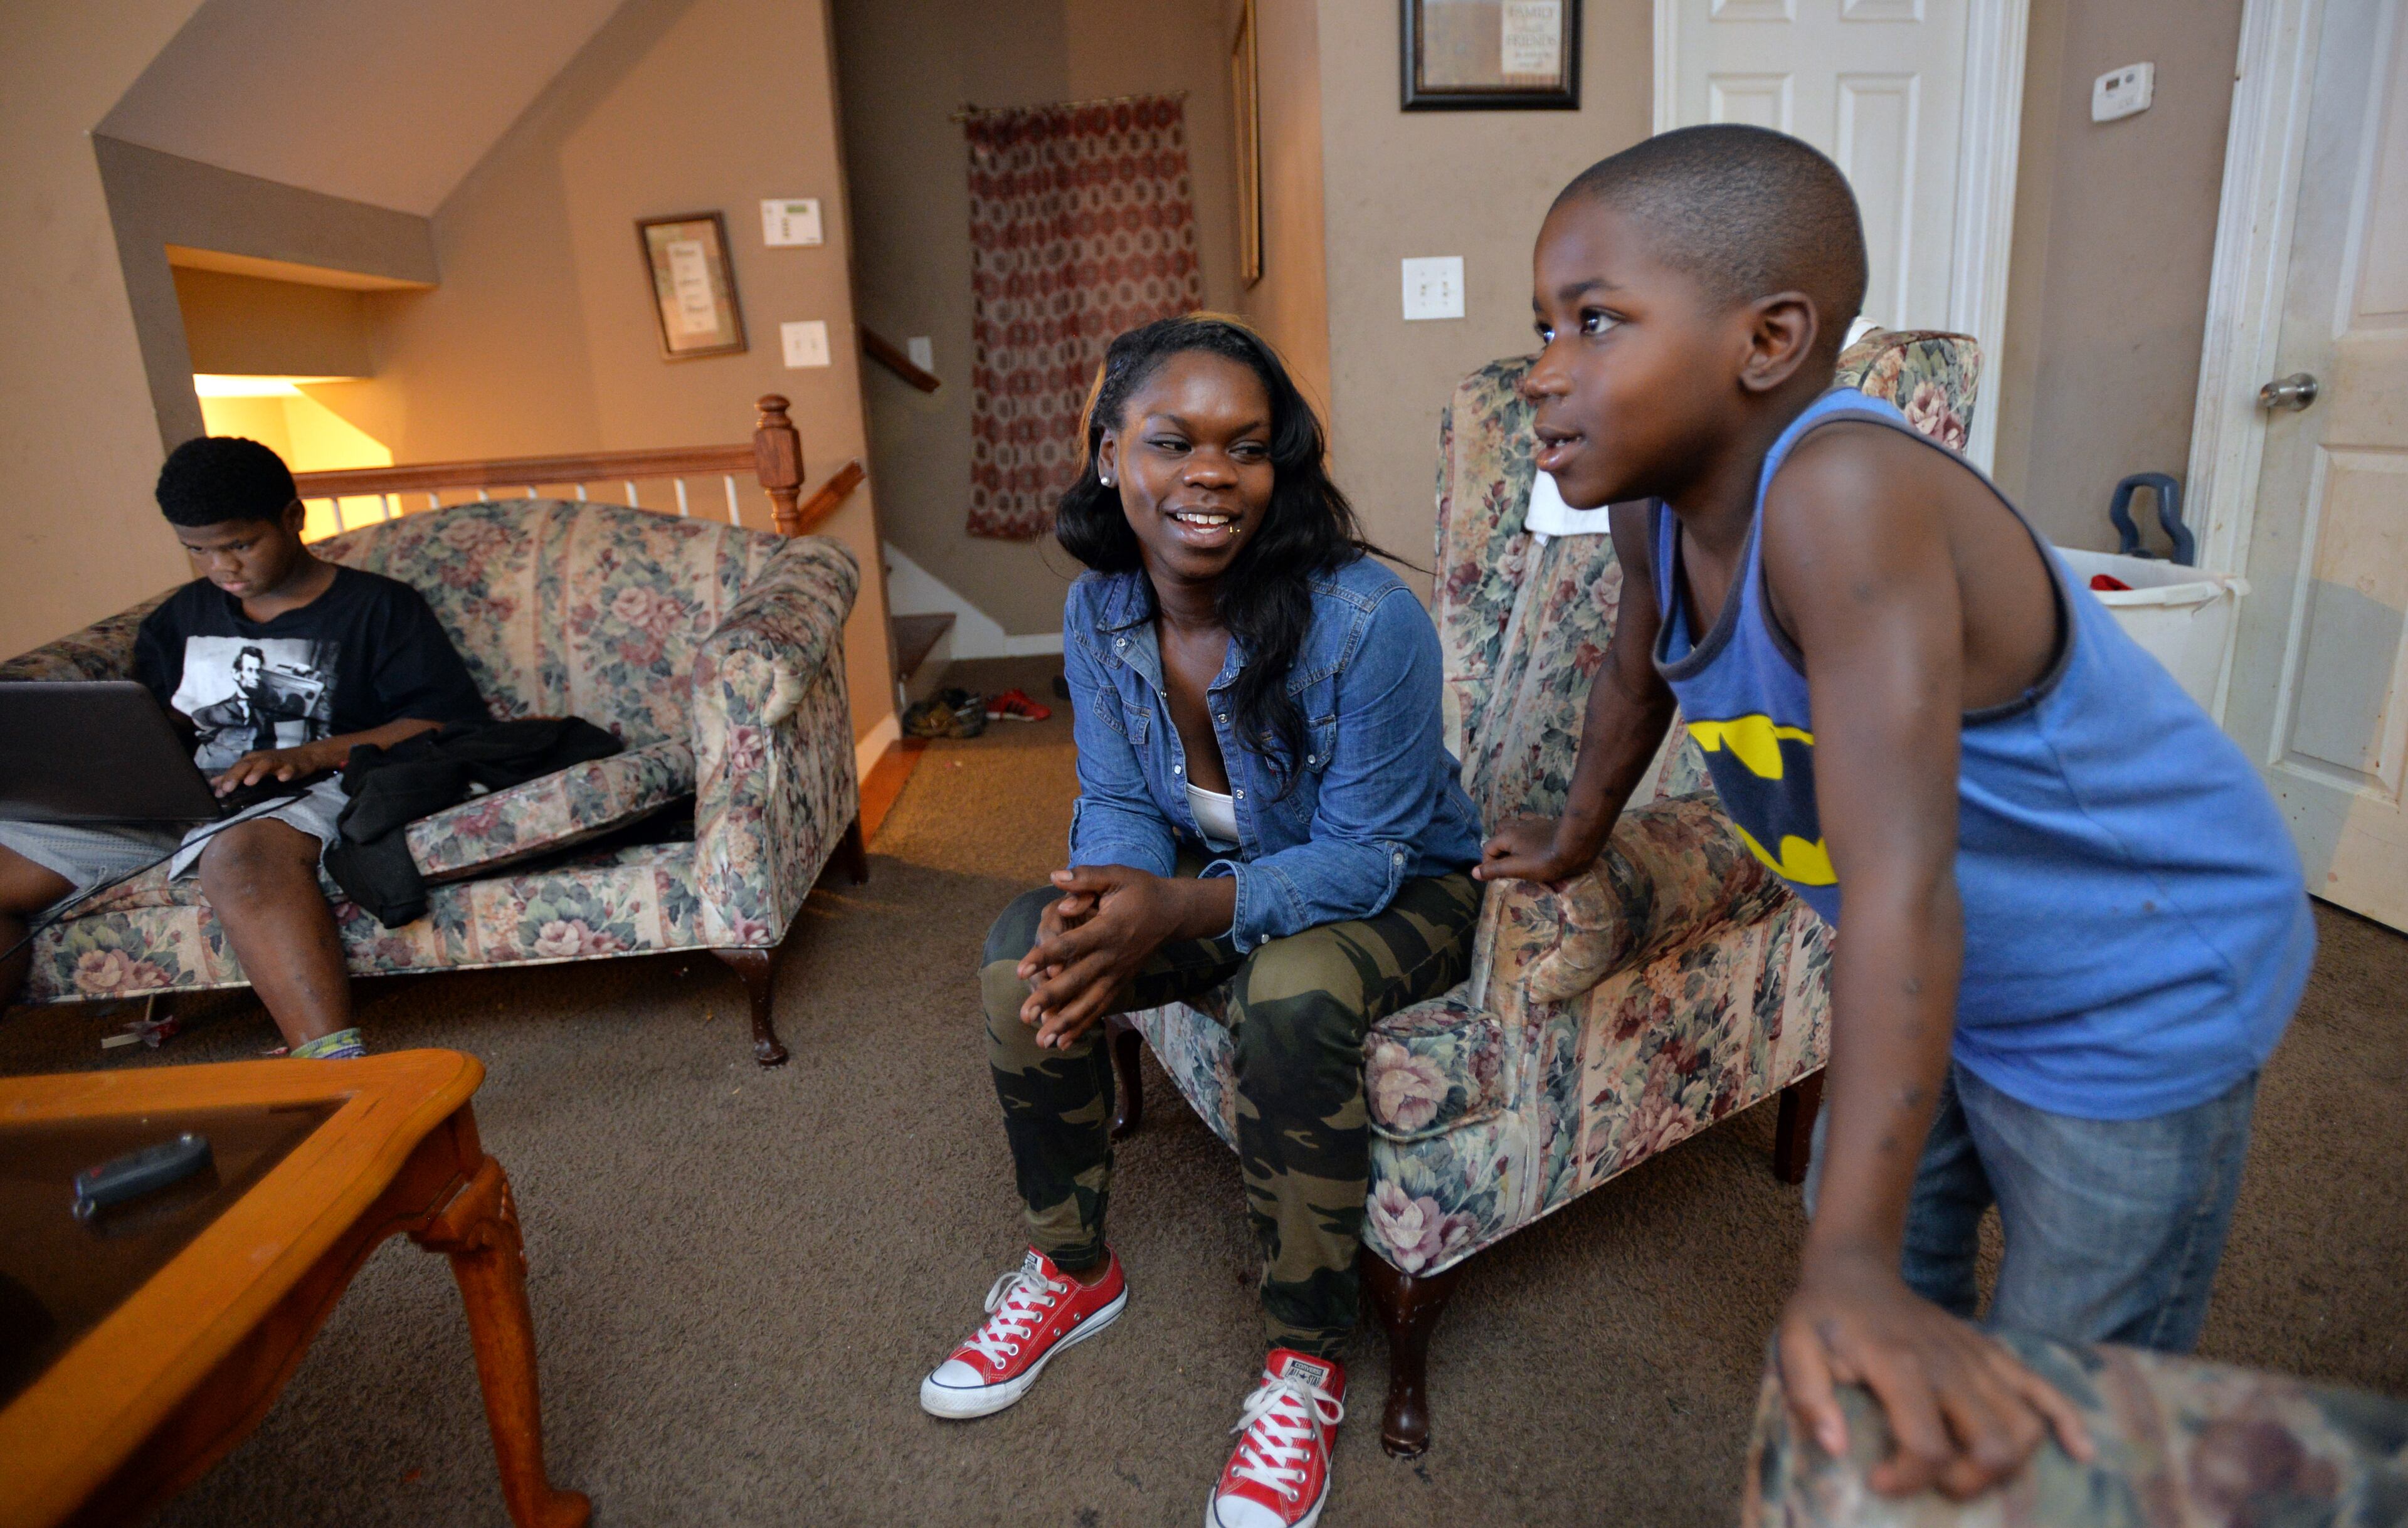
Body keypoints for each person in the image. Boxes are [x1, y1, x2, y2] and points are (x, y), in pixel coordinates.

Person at [1476, 125, 2313, 1500]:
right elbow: (1638, 676)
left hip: (2136, 978)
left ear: (1770, 338)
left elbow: (1903, 884)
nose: (1545, 369)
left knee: (2066, 1395)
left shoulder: (1845, 498)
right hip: (1948, 984)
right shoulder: (1652, 512)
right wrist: (1577, 835)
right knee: (1884, 1315)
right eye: (1541, 327)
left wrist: (1847, 1264)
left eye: (1595, 321)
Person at [919, 315, 1487, 1528]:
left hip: (1401, 887)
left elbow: (1372, 852)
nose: (1210, 474)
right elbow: (1122, 800)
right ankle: (1074, 1268)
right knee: (1031, 953)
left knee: (1292, 992)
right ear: (1111, 452)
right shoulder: (1101, 611)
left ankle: (1304, 1361)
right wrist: (1104, 904)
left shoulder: (1363, 623)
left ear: (1280, 465)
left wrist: (1180, 907)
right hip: (1218, 872)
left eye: (1247, 444)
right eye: (1173, 441)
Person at [0, 436, 489, 1058]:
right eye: (198, 550)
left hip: (314, 785)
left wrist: (314, 753)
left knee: (238, 859)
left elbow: (443, 721)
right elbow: (154, 725)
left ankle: (335, 1066)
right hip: (183, 797)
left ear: (292, 518)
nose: (222, 568)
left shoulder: (379, 608)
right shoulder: (180, 617)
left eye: (239, 544)